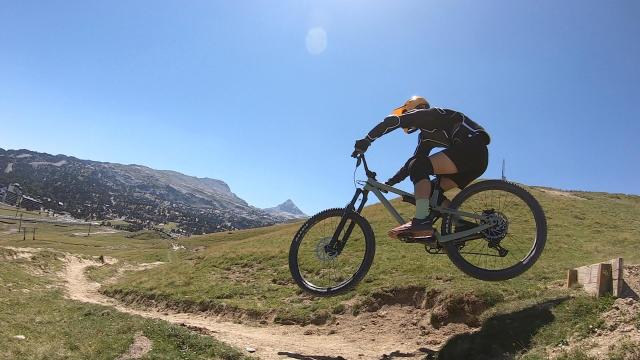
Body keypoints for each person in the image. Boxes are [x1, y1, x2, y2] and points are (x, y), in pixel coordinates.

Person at [351, 96, 490, 239]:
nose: (405, 116)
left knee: (419, 166)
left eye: (406, 112)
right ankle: (461, 224)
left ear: (413, 108)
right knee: (429, 190)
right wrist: (389, 183)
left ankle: (422, 219)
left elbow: (392, 121)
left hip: (471, 148)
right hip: (475, 161)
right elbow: (412, 163)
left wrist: (367, 139)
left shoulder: (430, 114)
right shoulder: (425, 137)